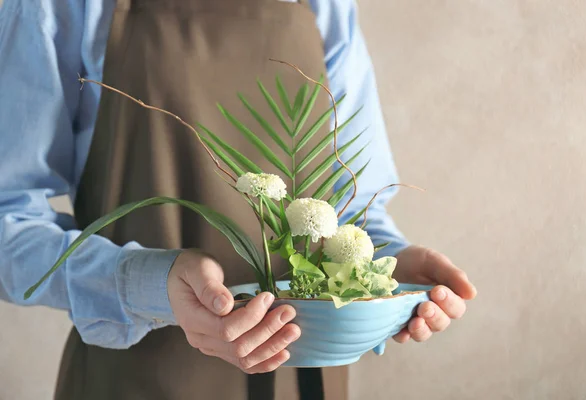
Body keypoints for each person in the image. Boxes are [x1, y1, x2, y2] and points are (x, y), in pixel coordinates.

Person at [0, 0, 477, 399]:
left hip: (306, 383)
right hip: (138, 382)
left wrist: (388, 269)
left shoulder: (326, 6)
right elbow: (9, 219)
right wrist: (146, 284)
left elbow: (352, 206)